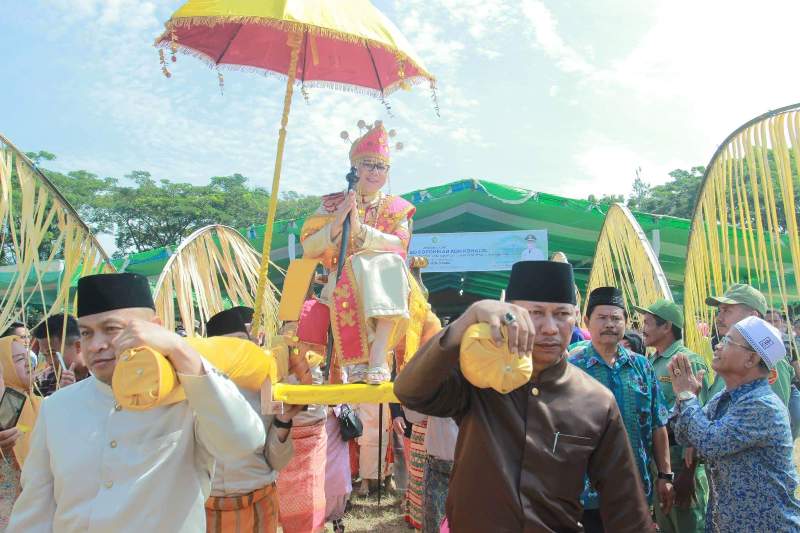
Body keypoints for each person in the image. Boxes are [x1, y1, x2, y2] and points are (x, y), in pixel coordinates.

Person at [395, 261, 651, 532]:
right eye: (535, 313)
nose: (550, 328)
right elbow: (410, 392)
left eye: (562, 314)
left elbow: (625, 504)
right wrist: (467, 321)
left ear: (576, 317)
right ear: (508, 313)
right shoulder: (480, 380)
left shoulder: (596, 401)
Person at [7, 273, 266, 532]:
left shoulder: (190, 395)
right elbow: (34, 512)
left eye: (112, 329)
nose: (96, 345)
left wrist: (181, 351)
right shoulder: (57, 407)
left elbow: (243, 443)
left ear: (155, 328)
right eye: (86, 333)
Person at [300, 121, 424, 384]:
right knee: (362, 265)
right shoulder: (332, 204)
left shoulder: (397, 208)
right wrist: (337, 224)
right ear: (354, 167)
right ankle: (358, 360)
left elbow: (400, 245)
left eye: (381, 166)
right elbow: (309, 247)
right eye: (368, 164)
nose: (375, 172)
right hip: (340, 280)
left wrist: (360, 231)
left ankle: (377, 354)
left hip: (391, 283)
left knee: (389, 262)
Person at [669, 316, 800, 532]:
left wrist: (687, 396)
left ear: (751, 358)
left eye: (728, 341)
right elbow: (685, 435)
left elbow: (710, 443)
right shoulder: (725, 397)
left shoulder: (762, 404)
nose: (717, 346)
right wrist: (686, 398)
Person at [569, 287, 671, 532]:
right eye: (602, 318)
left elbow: (658, 424)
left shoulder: (642, 367)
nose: (609, 324)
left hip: (635, 489)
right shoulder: (572, 368)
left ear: (625, 322)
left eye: (616, 318)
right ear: (587, 321)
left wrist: (665, 475)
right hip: (585, 494)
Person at [203, 308, 298, 533]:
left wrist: (283, 421)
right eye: (227, 346)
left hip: (258, 504)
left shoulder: (266, 387)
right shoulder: (192, 390)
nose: (236, 352)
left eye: (242, 343)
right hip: (205, 508)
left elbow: (278, 462)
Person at [636, 299, 709, 533]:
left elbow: (700, 416)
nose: (642, 328)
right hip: (659, 463)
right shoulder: (651, 362)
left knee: (688, 525)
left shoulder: (687, 361)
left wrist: (689, 473)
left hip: (681, 462)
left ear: (666, 326)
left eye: (648, 323)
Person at [705, 284, 796, 407]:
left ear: (752, 317)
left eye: (726, 311)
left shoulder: (768, 357)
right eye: (719, 311)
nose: (719, 318)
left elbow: (768, 413)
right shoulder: (732, 351)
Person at [0, 336, 41, 532]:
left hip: (37, 507)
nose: (27, 364)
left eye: (28, 357)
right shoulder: (8, 405)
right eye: (18, 359)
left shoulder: (42, 403)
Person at [403, 409, 458, 533]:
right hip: (437, 467)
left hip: (471, 466)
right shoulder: (435, 396)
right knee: (434, 524)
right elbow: (413, 415)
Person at [31, 314, 86, 394]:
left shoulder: (101, 377)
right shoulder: (47, 380)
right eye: (45, 355)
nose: (49, 362)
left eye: (53, 353)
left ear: (78, 346)